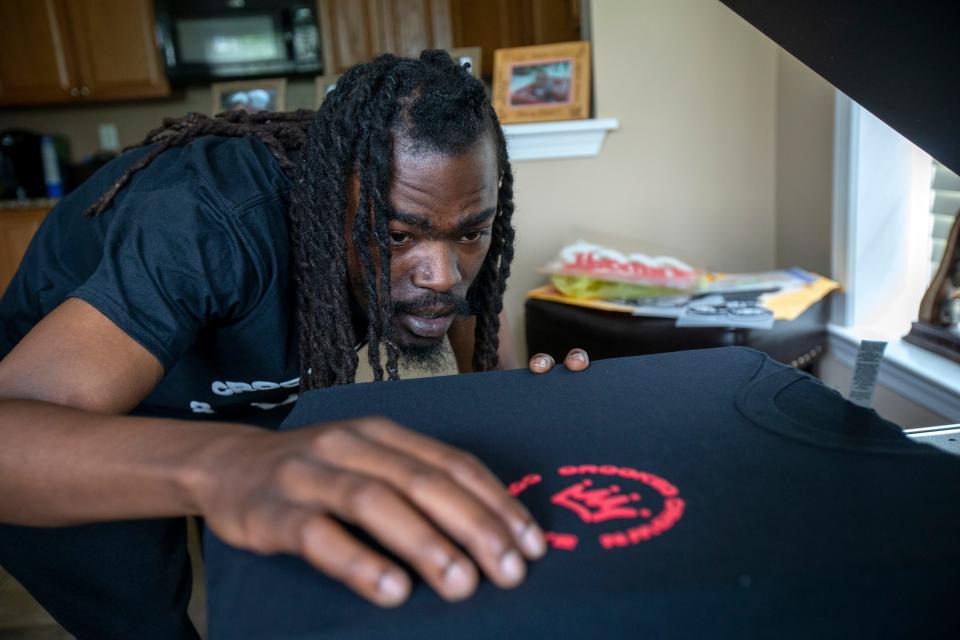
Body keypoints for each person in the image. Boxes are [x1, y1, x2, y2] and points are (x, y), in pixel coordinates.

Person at [0, 51, 589, 639]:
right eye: (397, 236)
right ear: (331, 209)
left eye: (471, 233)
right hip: (74, 402)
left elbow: (482, 353)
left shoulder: (445, 220)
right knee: (140, 617)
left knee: (275, 584)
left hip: (232, 384)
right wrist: (225, 465)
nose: (442, 275)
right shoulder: (205, 222)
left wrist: (530, 408)